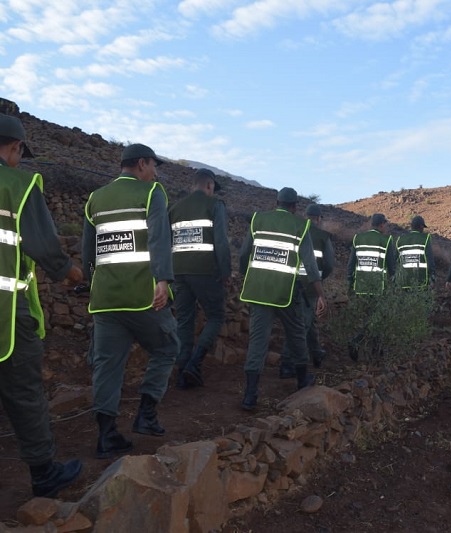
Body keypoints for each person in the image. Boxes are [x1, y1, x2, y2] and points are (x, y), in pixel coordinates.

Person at [0, 114, 83, 497]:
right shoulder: (18, 184)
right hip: (7, 316)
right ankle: (44, 472)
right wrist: (71, 273)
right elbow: (46, 246)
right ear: (14, 147)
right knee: (24, 392)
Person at [83, 143, 179, 458]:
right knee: (167, 347)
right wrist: (162, 280)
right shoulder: (152, 193)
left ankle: (106, 437)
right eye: (154, 165)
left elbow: (89, 253)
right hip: (143, 296)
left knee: (107, 365)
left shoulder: (96, 198)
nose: (156, 172)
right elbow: (159, 239)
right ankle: (146, 416)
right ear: (141, 164)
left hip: (105, 300)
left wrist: (90, 284)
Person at [239, 187, 326, 409]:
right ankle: (302, 379)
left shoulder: (258, 219)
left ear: (276, 202)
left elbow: (243, 254)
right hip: (285, 293)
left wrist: (246, 276)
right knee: (297, 334)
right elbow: (310, 265)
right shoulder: (300, 226)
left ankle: (250, 396)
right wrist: (320, 294)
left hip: (257, 292)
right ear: (295, 206)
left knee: (257, 341)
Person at [170, 168, 231, 389]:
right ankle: (194, 365)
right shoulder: (215, 205)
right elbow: (221, 242)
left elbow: (168, 242)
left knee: (184, 321)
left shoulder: (175, 208)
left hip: (178, 272)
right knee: (215, 316)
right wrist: (225, 272)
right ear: (209, 185)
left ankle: (181, 374)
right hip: (205, 271)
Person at [279, 203, 335, 378]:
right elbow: (330, 265)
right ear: (318, 218)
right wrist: (319, 278)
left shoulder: (295, 229)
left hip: (291, 281)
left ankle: (317, 352)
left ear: (305, 215)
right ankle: (287, 363)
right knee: (301, 324)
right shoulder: (323, 236)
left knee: (307, 320)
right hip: (311, 285)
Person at [346, 213, 396, 360]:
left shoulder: (358, 238)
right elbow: (392, 268)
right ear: (381, 225)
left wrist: (350, 284)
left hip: (359, 287)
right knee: (376, 319)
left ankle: (376, 350)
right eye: (385, 224)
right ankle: (358, 342)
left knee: (370, 317)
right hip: (378, 287)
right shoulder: (386, 241)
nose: (385, 227)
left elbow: (350, 265)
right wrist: (394, 286)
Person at [395, 215, 434, 289]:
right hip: (421, 281)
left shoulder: (400, 239)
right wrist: (432, 277)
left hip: (404, 281)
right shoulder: (425, 239)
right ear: (420, 226)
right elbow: (430, 260)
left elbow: (395, 261)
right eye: (423, 227)